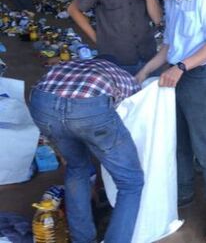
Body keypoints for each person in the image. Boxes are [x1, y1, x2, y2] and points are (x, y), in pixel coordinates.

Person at [135, 0, 206, 242]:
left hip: (196, 74)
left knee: (204, 146)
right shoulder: (173, 1)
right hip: (176, 72)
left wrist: (181, 68)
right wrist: (144, 72)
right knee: (177, 139)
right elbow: (169, 46)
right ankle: (185, 192)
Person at [28, 58, 144, 243]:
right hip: (89, 109)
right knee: (130, 182)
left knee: (77, 167)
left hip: (43, 104)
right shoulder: (129, 82)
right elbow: (136, 110)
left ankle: (82, 239)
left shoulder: (77, 64)